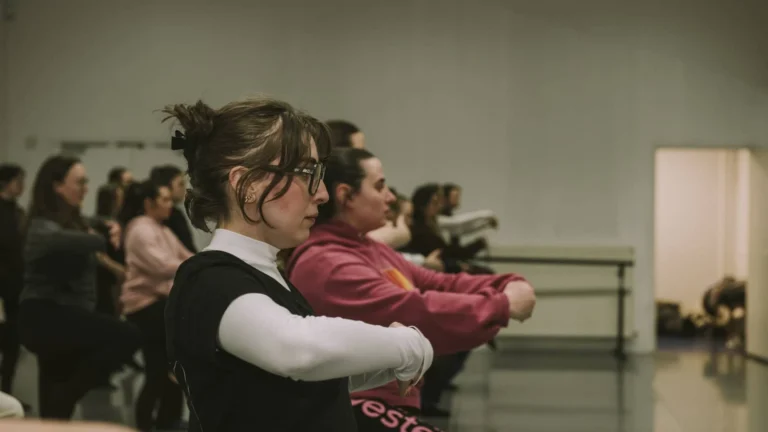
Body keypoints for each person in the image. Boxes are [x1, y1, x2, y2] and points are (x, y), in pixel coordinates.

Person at [162, 98, 434, 432]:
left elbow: (285, 389)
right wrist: (407, 345)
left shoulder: (264, 276)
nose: (322, 194)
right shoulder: (209, 280)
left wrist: (381, 363)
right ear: (247, 185)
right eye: (308, 173)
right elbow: (296, 350)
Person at [284, 147, 536, 426]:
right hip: (353, 411)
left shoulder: (366, 247)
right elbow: (416, 312)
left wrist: (504, 283)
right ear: (346, 196)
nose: (390, 197)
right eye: (380, 186)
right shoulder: (327, 264)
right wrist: (502, 304)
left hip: (387, 404)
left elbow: (438, 282)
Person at [18, 155, 141, 419]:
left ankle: (62, 401)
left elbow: (90, 225)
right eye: (80, 182)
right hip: (44, 317)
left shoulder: (73, 221)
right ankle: (66, 395)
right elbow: (65, 239)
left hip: (63, 317)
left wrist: (106, 224)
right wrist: (104, 235)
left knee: (55, 412)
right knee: (127, 335)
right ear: (57, 186)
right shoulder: (40, 226)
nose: (86, 188)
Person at [120, 180, 192, 431]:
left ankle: (167, 421)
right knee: (157, 371)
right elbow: (161, 266)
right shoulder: (140, 229)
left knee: (168, 369)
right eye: (164, 199)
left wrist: (202, 263)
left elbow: (185, 255)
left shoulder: (161, 229)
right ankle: (147, 424)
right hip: (144, 306)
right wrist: (194, 266)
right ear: (149, 203)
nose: (170, 204)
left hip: (158, 304)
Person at [0, 164, 26, 403]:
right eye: (19, 180)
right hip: (4, 284)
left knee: (12, 342)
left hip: (15, 286)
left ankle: (7, 393)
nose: (22, 185)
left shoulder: (18, 212)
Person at [150, 165, 197, 252]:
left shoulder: (175, 214)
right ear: (166, 186)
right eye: (180, 184)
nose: (185, 188)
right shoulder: (172, 215)